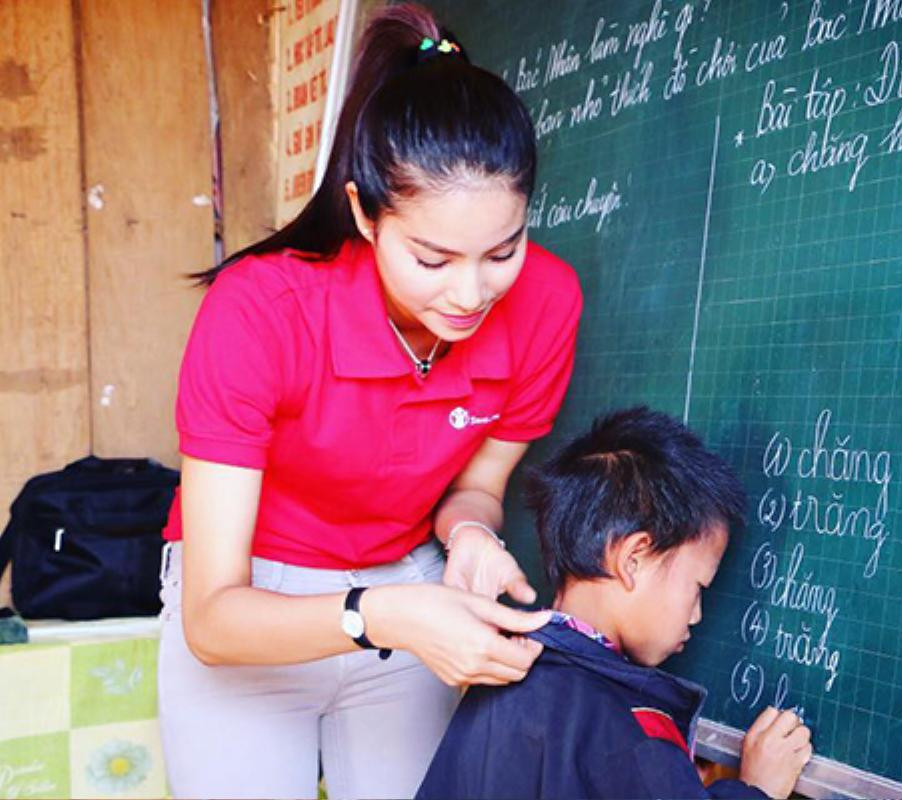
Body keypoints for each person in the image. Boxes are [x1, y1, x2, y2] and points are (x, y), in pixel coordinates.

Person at [156, 4, 582, 798]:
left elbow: (477, 490)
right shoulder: (260, 308)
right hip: (256, 598)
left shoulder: (549, 300)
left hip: (411, 589)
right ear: (363, 213)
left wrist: (469, 542)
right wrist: (379, 614)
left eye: (503, 250)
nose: (470, 293)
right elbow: (213, 619)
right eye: (431, 257)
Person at [417, 407, 814, 799]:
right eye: (697, 588)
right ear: (633, 559)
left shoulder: (503, 673)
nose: (696, 615)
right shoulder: (630, 730)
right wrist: (758, 789)